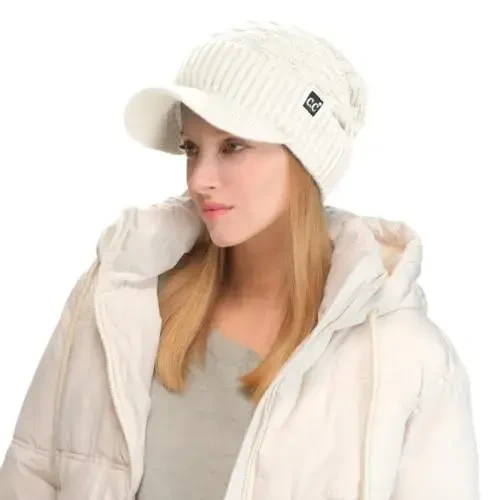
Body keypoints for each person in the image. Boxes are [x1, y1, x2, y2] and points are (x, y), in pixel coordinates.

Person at [0, 19, 479, 500]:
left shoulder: (406, 360)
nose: (199, 179)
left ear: (304, 160)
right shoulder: (118, 301)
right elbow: (31, 474)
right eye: (191, 148)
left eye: (233, 147)